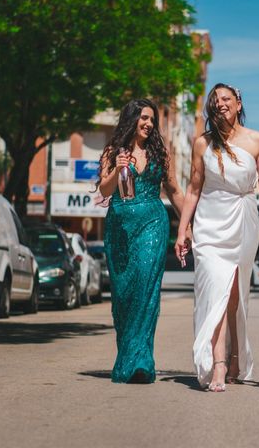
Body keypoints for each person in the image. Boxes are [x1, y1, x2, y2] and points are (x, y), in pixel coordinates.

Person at [174, 83, 259, 392]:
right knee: (216, 292)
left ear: (239, 103)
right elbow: (193, 189)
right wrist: (183, 229)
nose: (220, 103)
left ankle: (236, 355)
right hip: (209, 223)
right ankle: (219, 365)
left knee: (236, 293)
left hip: (243, 220)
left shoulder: (256, 141)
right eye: (215, 100)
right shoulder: (202, 143)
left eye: (226, 98)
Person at [97, 98, 187, 384]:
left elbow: (174, 191)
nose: (149, 124)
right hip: (120, 227)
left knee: (146, 291)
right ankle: (127, 356)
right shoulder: (113, 151)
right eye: (144, 118)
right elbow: (105, 189)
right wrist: (117, 168)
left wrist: (189, 226)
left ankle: (142, 362)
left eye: (152, 120)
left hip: (152, 225)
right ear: (131, 119)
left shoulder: (161, 152)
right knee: (124, 295)